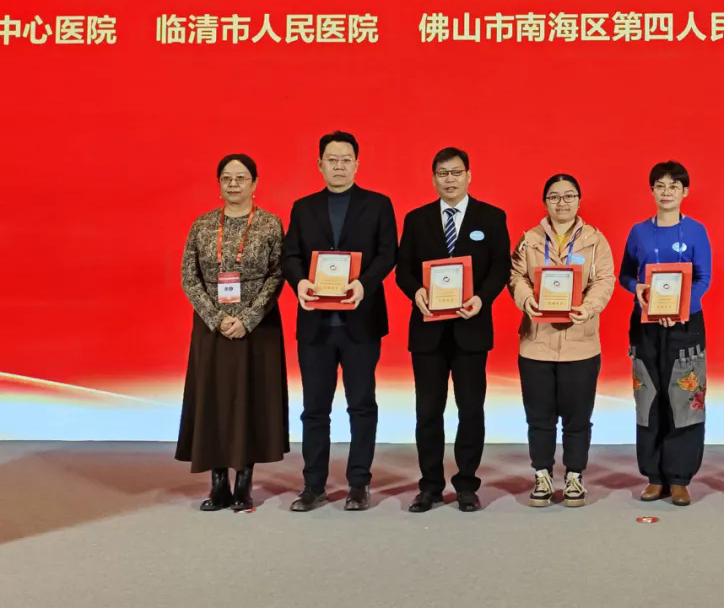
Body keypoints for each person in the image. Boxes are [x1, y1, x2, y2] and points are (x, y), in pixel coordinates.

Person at [281, 131, 398, 512]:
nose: (339, 166)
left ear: (357, 164)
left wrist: (364, 285)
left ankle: (359, 483)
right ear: (319, 165)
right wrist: (300, 282)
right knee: (315, 409)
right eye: (332, 159)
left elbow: (388, 254)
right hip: (315, 325)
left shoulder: (378, 205)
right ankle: (313, 485)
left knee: (361, 405)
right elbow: (290, 255)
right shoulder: (303, 207)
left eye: (346, 159)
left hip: (361, 324)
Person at [396, 147, 511, 513]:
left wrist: (481, 299)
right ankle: (430, 486)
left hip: (470, 329)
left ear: (469, 176)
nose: (450, 179)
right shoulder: (417, 219)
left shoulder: (491, 217)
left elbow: (500, 268)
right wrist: (416, 292)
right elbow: (403, 270)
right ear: (433, 179)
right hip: (428, 331)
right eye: (443, 173)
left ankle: (466, 484)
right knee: (428, 411)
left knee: (471, 409)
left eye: (456, 172)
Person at [177, 153, 289, 512]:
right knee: (214, 400)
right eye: (227, 178)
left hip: (257, 328)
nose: (234, 184)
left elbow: (278, 274)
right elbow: (189, 276)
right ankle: (217, 483)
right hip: (212, 328)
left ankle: (244, 481)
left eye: (241, 178)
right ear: (219, 184)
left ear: (255, 184)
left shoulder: (270, 224)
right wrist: (215, 317)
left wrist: (248, 317)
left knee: (250, 399)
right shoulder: (203, 225)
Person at [508, 174, 616, 507]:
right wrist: (527, 300)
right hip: (536, 344)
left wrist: (589, 307)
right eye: (554, 197)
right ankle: (542, 474)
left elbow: (605, 280)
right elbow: (516, 276)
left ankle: (574, 476)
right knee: (538, 417)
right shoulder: (529, 239)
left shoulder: (596, 240)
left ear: (579, 200)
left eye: (569, 196)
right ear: (545, 202)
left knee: (578, 418)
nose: (562, 203)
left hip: (581, 344)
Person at [619, 160, 712, 507]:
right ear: (652, 191)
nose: (667, 192)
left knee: (685, 399)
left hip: (686, 327)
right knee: (649, 399)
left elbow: (704, 278)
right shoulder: (639, 232)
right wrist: (638, 288)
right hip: (645, 325)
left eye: (674, 186)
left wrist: (681, 307)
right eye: (660, 186)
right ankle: (654, 477)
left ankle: (679, 478)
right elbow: (625, 275)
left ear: (685, 191)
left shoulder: (696, 231)